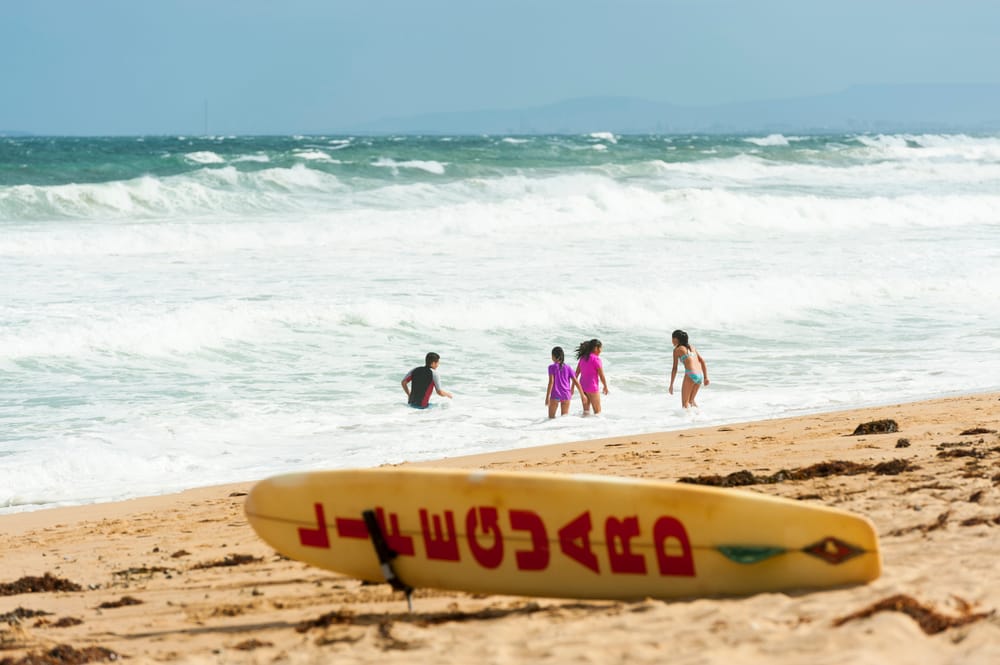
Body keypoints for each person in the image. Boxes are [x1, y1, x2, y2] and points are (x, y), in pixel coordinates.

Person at [668, 330, 709, 409]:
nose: (672, 341)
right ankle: (699, 417)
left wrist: (671, 384)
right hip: (699, 375)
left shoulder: (677, 350)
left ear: (676, 339)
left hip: (691, 374)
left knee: (685, 403)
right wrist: (706, 377)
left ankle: (687, 420)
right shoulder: (692, 348)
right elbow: (702, 361)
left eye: (672, 338)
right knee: (691, 401)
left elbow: (674, 368)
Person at [545, 346, 587, 418]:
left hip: (555, 395)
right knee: (564, 419)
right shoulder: (568, 367)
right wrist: (582, 395)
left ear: (553, 356)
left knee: (551, 418)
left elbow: (551, 382)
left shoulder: (551, 367)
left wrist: (547, 397)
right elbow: (576, 381)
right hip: (566, 395)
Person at [575, 339, 609, 415]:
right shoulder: (596, 359)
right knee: (597, 412)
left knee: (586, 412)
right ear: (596, 348)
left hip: (583, 387)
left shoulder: (582, 358)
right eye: (600, 348)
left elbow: (576, 374)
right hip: (592, 387)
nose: (601, 350)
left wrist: (572, 387)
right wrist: (605, 386)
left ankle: (584, 426)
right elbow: (601, 375)